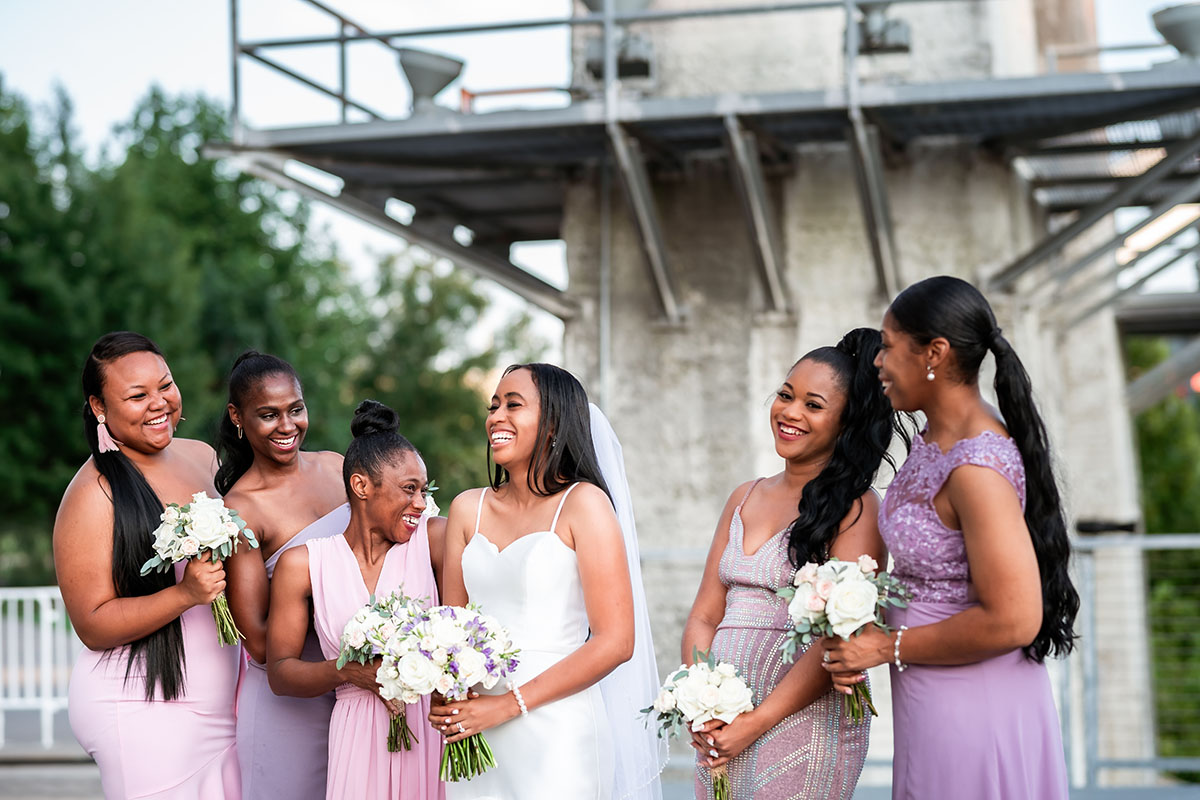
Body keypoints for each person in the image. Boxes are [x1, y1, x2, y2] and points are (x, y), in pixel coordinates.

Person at [822, 276, 1078, 799]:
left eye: (889, 347)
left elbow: (1015, 617)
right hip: (931, 693)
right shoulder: (932, 439)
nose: (878, 362)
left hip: (975, 704)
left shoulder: (977, 466)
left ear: (933, 353)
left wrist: (885, 646)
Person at [680, 329, 904, 800]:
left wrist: (755, 722)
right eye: (785, 395)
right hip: (722, 724)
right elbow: (704, 614)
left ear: (845, 423)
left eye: (813, 405)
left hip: (801, 722)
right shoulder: (743, 496)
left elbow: (839, 636)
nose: (790, 412)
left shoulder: (857, 508)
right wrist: (702, 702)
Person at [431, 363, 666, 800]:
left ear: (554, 422)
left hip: (558, 731)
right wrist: (444, 694)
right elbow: (452, 630)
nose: (496, 416)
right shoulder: (467, 509)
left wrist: (506, 705)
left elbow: (615, 642)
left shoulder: (585, 505)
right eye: (494, 405)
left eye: (513, 405)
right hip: (477, 734)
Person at [56, 331, 241, 799]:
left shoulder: (201, 455)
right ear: (99, 407)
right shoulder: (92, 493)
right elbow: (92, 624)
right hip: (142, 701)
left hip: (225, 701)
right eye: (137, 396)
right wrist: (184, 595)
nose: (160, 403)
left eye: (166, 385)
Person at [267, 399, 444, 800]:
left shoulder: (434, 541)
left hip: (429, 726)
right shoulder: (304, 564)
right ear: (362, 486)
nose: (421, 503)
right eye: (409, 489)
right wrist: (346, 672)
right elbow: (279, 672)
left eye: (424, 490)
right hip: (356, 733)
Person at [217, 351, 347, 799]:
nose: (287, 426)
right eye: (268, 415)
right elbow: (256, 639)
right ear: (237, 416)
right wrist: (351, 617)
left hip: (359, 690)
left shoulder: (335, 466)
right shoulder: (241, 509)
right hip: (289, 703)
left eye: (295, 409)